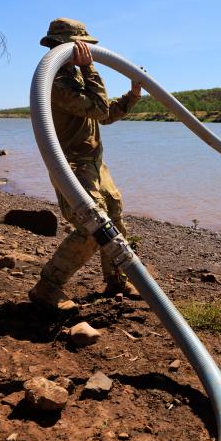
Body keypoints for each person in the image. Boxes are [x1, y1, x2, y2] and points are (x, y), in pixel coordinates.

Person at [28, 18, 142, 312]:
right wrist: (89, 68)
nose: (88, 52)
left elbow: (103, 116)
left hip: (94, 162)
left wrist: (132, 96)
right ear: (66, 46)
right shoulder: (56, 81)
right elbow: (98, 106)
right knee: (93, 227)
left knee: (114, 215)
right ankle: (47, 288)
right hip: (72, 167)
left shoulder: (72, 76)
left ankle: (116, 280)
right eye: (83, 47)